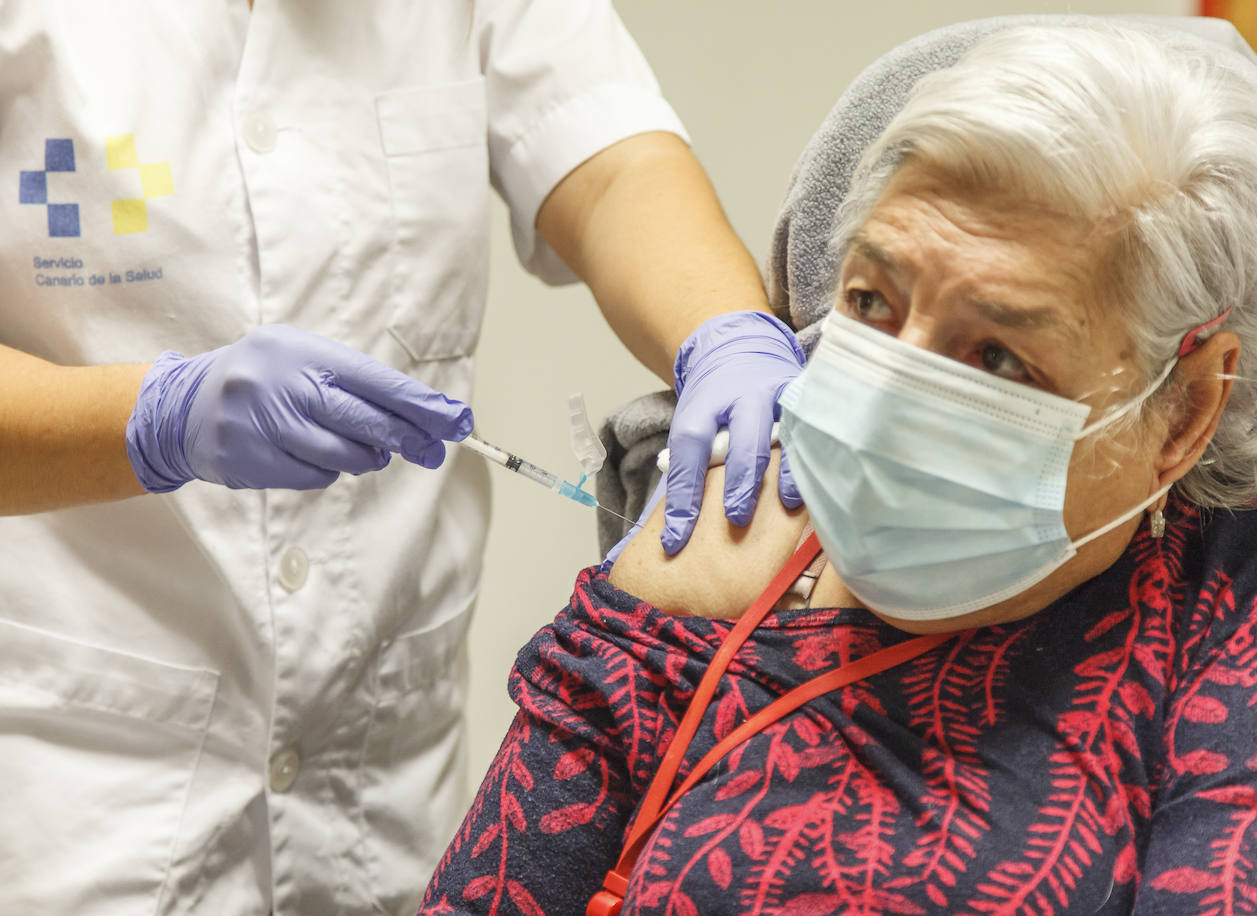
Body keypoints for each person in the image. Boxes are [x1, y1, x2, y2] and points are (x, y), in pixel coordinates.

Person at [419, 22, 1257, 916]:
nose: (882, 402)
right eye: (872, 303)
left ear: (1183, 410)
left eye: (997, 355)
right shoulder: (723, 553)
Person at [0, 3, 806, 914]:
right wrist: (150, 418)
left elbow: (615, 166)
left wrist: (726, 333)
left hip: (383, 782)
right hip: (77, 769)